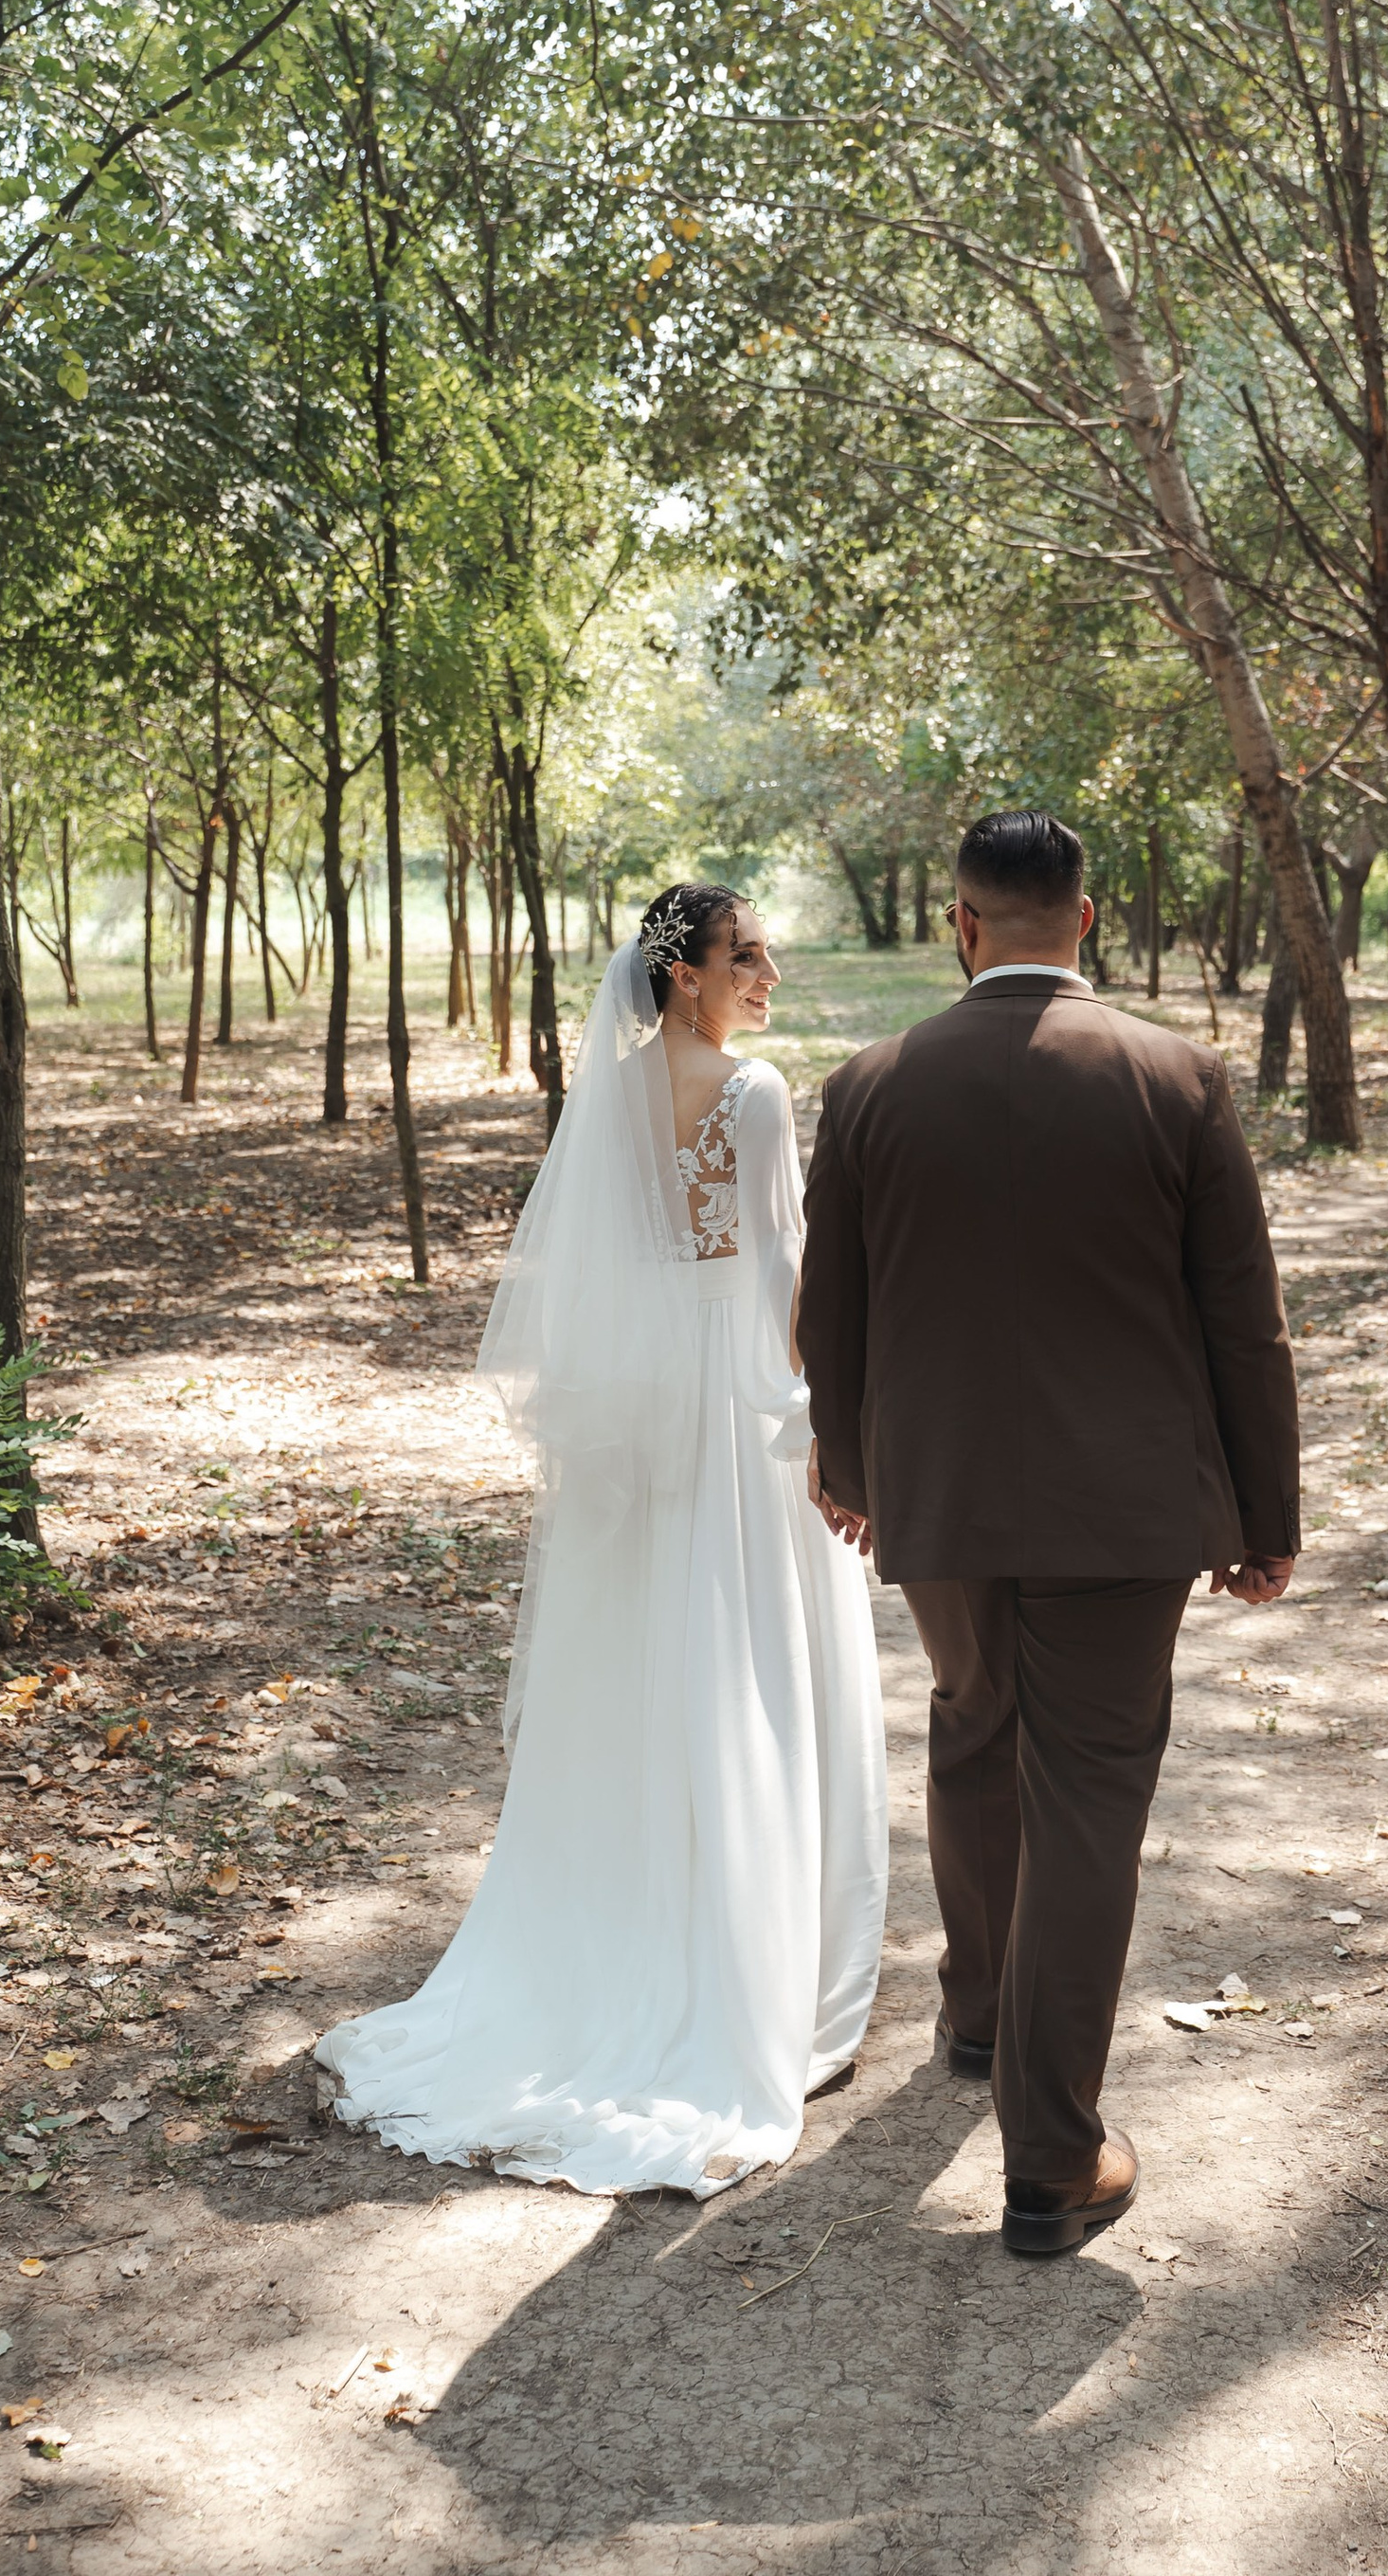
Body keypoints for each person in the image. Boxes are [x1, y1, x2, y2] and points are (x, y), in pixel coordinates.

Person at [315, 884, 888, 2195]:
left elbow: (602, 1273)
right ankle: (744, 1976)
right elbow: (785, 1279)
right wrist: (826, 1419)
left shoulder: (612, 1095)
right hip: (734, 1409)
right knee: (744, 1670)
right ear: (682, 974)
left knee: (647, 1673)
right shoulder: (750, 1094)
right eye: (746, 957)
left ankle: (627, 1935)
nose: (769, 975)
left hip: (641, 1425)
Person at [797, 807, 1298, 2258]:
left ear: (962, 924)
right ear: (1086, 921)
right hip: (1123, 1511)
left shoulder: (872, 1084)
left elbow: (834, 1311)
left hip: (938, 1497)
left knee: (972, 1723)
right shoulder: (1178, 1077)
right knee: (1088, 1795)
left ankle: (977, 2019)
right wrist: (1266, 1515)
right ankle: (1053, 2157)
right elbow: (1240, 1325)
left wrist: (850, 1465)